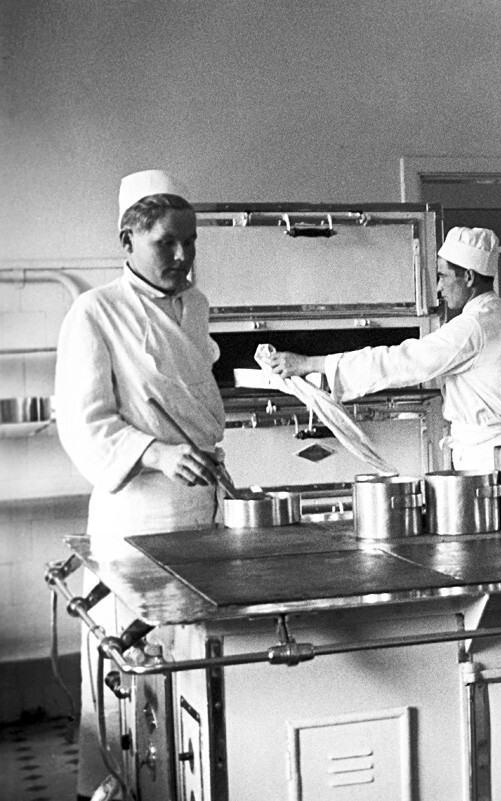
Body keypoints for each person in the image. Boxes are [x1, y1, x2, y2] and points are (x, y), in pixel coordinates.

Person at [56, 169, 224, 799]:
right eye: (165, 244)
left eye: (190, 242)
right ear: (127, 241)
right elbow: (83, 419)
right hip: (139, 511)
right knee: (127, 671)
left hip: (199, 502)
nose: (182, 257)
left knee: (187, 668)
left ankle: (183, 784)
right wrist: (155, 453)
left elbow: (194, 395)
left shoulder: (196, 305)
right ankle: (110, 789)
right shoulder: (95, 310)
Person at [264, 226, 501, 471]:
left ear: (468, 277)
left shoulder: (474, 327)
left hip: (491, 458)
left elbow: (400, 361)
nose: (439, 286)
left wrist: (312, 364)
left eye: (443, 276)